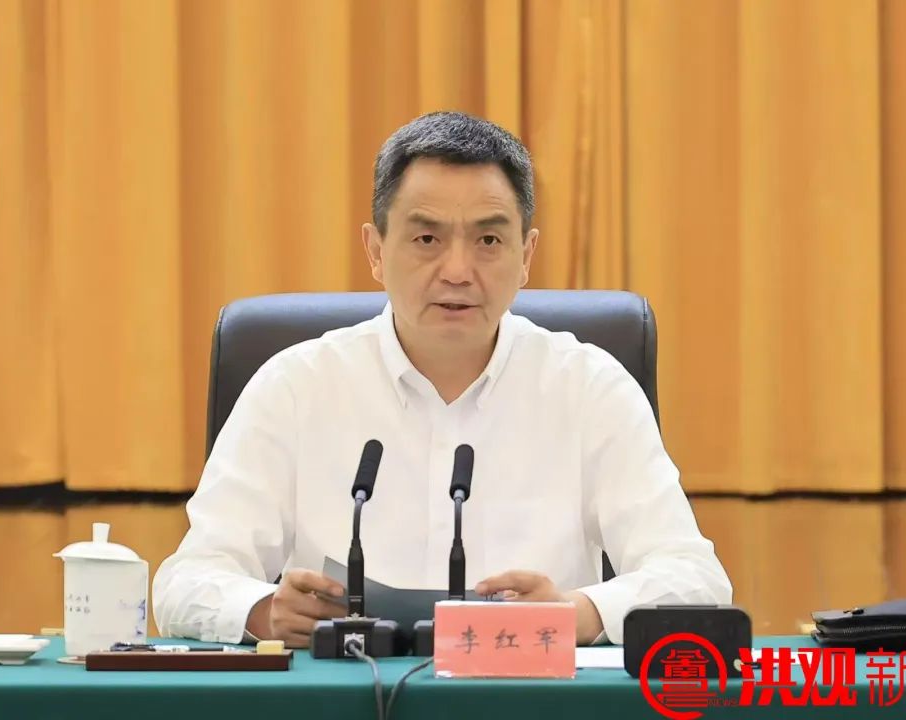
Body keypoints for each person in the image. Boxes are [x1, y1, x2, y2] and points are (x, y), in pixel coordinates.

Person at [153, 111, 732, 647]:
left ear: (526, 256)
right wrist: (263, 612)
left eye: (489, 240)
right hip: (345, 698)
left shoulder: (590, 388)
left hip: (528, 699)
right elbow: (187, 579)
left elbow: (696, 580)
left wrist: (577, 613)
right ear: (376, 250)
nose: (457, 271)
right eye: (426, 238)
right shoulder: (295, 387)